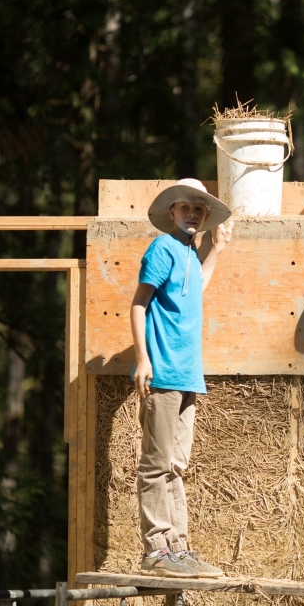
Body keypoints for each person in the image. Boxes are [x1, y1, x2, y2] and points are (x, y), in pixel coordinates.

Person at [129, 178, 234, 578]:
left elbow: (196, 290)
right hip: (163, 372)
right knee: (156, 465)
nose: (191, 214)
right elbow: (139, 304)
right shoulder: (161, 249)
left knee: (175, 465)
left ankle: (178, 549)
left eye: (198, 209)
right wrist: (143, 359)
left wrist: (218, 248)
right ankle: (156, 551)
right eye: (185, 207)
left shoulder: (190, 254)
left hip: (188, 375)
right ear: (171, 212)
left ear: (205, 217)